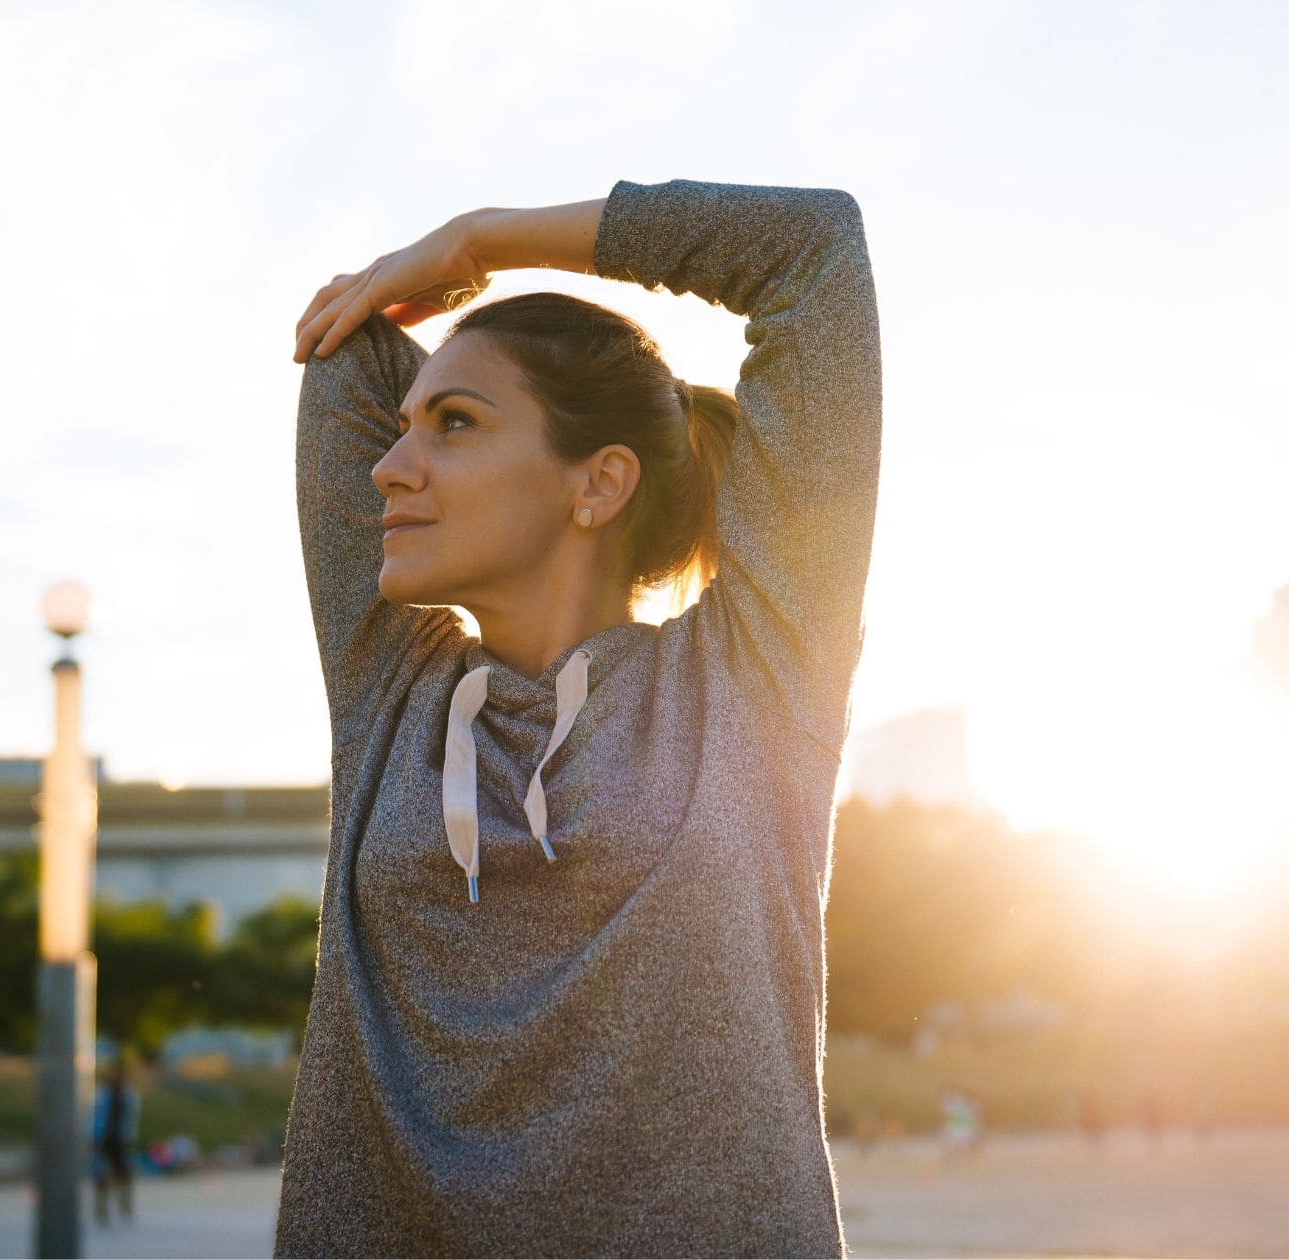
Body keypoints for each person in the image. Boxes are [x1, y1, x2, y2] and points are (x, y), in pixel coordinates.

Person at [276, 179, 882, 1257]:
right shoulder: (392, 691)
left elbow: (810, 254)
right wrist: (459, 342)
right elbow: (349, 352)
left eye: (452, 426)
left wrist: (481, 241)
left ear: (597, 485)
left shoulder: (754, 680)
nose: (387, 465)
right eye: (409, 427)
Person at [91, 1057, 139, 1227]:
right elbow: (96, 1117)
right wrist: (95, 1137)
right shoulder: (103, 1096)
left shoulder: (129, 1096)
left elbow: (130, 1120)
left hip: (120, 1140)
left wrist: (129, 1137)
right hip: (105, 1139)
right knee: (102, 1174)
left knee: (125, 1173)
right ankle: (101, 1210)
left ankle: (125, 1207)